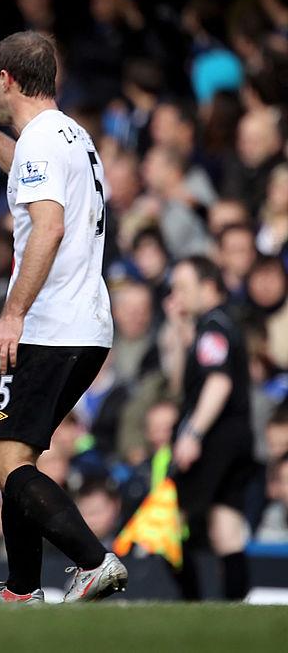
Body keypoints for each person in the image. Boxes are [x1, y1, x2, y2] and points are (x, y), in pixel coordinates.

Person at [0, 30, 127, 604]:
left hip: (51, 326)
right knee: (16, 458)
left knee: (4, 465)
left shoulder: (44, 140)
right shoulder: (68, 134)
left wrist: (12, 315)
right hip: (85, 325)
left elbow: (48, 226)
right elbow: (24, 170)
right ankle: (21, 591)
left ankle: (93, 562)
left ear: (8, 80)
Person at [162, 256, 256, 600]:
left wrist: (193, 434)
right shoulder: (214, 327)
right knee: (226, 529)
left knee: (167, 526)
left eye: (184, 288)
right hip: (235, 438)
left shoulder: (214, 327)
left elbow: (218, 383)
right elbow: (179, 386)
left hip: (215, 442)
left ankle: (192, 603)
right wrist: (176, 325)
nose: (177, 296)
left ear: (209, 286)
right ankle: (234, 611)